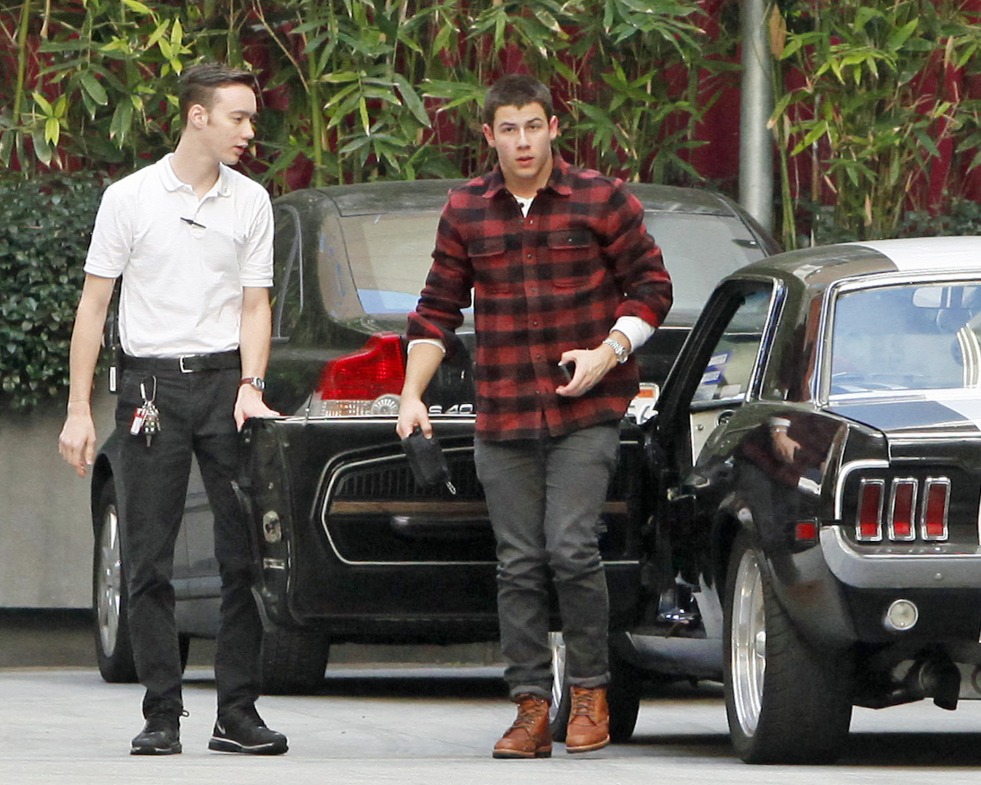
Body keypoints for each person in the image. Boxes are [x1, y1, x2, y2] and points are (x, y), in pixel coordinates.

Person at [396, 74, 672, 758]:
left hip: (587, 408)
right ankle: (528, 706)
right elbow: (436, 309)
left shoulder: (601, 197)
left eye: (532, 126)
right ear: (488, 136)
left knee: (570, 548)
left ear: (554, 127)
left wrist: (608, 353)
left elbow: (652, 287)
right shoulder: (466, 208)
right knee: (517, 561)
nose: (522, 142)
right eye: (508, 129)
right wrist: (410, 395)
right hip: (504, 411)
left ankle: (589, 692)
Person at [57, 62, 288, 757]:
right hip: (150, 388)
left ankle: (237, 712)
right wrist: (78, 409)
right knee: (148, 555)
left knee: (242, 554)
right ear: (197, 116)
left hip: (225, 383)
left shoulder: (251, 201)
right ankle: (161, 712)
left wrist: (252, 383)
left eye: (251, 119)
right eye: (238, 118)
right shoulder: (129, 198)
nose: (248, 131)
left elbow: (255, 304)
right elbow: (94, 306)